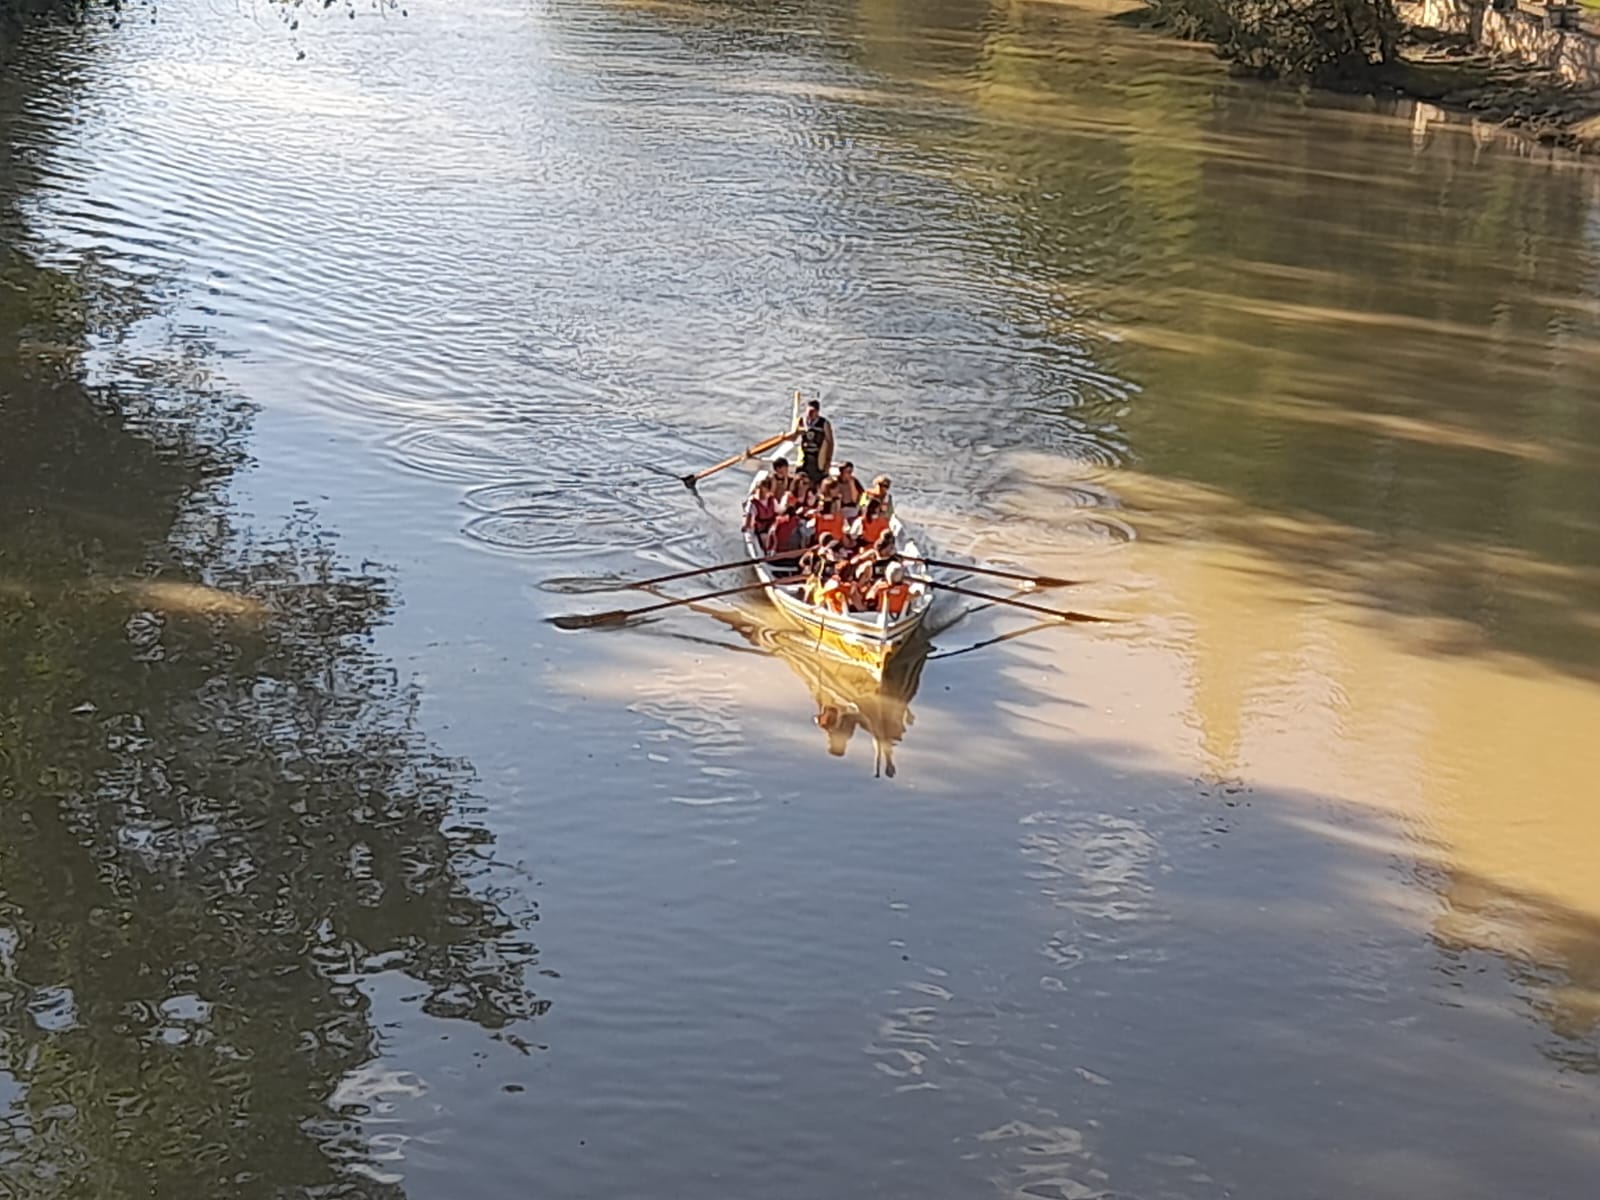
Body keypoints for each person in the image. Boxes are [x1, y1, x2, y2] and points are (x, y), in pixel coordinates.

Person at [792, 398, 834, 485]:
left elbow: (830, 443)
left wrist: (828, 462)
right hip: (805, 456)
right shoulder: (801, 421)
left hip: (818, 457)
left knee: (818, 480)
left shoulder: (824, 423)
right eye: (808, 411)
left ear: (817, 412)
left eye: (812, 411)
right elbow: (793, 437)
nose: (809, 414)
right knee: (800, 480)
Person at [743, 472, 776, 540]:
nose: (760, 493)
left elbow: (779, 511)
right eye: (759, 490)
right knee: (765, 537)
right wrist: (747, 529)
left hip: (770, 527)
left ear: (767, 490)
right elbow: (748, 521)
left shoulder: (772, 500)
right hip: (759, 530)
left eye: (763, 490)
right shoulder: (753, 503)